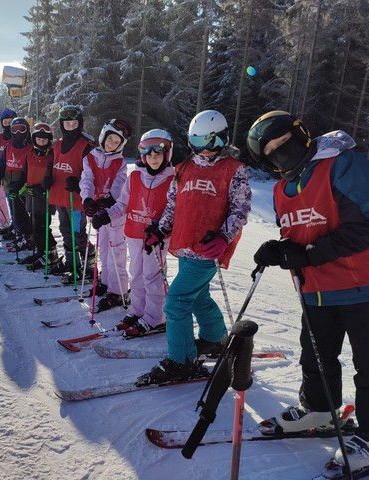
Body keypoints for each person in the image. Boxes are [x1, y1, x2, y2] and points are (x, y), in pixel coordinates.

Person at [247, 111, 369, 471]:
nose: (281, 153)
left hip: (363, 285)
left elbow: (365, 228)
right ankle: (320, 410)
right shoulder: (282, 189)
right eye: (272, 152)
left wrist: (305, 254)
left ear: (302, 135)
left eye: (285, 143)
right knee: (315, 357)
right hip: (316, 289)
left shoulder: (344, 165)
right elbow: (302, 235)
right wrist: (279, 249)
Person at [138, 110, 251, 385]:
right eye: (198, 141)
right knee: (198, 297)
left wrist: (224, 236)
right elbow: (173, 205)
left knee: (176, 302)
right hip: (184, 244)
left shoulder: (233, 169)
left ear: (223, 139)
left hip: (208, 248)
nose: (205, 149)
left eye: (211, 141)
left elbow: (240, 209)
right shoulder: (183, 168)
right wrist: (160, 229)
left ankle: (182, 361)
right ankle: (214, 338)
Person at [94, 128, 175, 335]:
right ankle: (138, 311)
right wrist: (107, 215)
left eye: (158, 154)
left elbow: (174, 210)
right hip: (134, 233)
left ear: (167, 154)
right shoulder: (135, 177)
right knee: (136, 274)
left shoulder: (173, 179)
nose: (154, 159)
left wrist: (161, 230)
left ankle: (156, 317)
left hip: (156, 238)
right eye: (149, 154)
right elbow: (123, 204)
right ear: (143, 156)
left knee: (152, 277)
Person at [80, 119, 131, 311]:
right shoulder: (90, 157)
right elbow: (87, 180)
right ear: (103, 136)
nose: (112, 144)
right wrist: (87, 200)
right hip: (98, 210)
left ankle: (119, 291)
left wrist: (109, 199)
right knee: (103, 249)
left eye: (116, 142)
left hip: (115, 212)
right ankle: (107, 282)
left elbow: (120, 184)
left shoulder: (120, 162)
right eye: (110, 139)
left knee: (116, 250)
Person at [41, 105, 96, 279]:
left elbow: (93, 173)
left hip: (77, 200)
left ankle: (89, 265)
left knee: (78, 233)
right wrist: (47, 178)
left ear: (80, 124)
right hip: (61, 196)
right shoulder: (57, 145)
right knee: (65, 231)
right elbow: (52, 165)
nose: (70, 127)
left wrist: (79, 184)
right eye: (67, 124)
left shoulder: (86, 146)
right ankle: (72, 264)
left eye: (74, 124)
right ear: (62, 124)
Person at [20, 122, 62, 269]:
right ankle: (41, 251)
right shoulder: (30, 155)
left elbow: (52, 177)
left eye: (44, 139)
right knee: (34, 225)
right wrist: (19, 186)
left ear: (49, 140)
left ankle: (51, 253)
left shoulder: (52, 156)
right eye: (39, 139)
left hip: (45, 196)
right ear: (34, 139)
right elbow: (25, 174)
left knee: (42, 226)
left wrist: (41, 187)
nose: (42, 141)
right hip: (31, 195)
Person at [0, 117, 33, 252]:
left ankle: (27, 236)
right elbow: (2, 163)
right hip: (8, 184)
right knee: (14, 211)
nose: (18, 132)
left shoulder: (30, 148)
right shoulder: (8, 146)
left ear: (27, 130)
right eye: (15, 129)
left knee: (22, 213)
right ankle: (19, 232)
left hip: (22, 187)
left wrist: (23, 184)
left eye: (22, 129)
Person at [0, 108, 18, 238]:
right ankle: (14, 224)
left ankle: (19, 226)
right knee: (9, 200)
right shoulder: (0, 138)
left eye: (10, 121)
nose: (7, 124)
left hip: (17, 174)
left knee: (18, 203)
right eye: (5, 122)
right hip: (4, 175)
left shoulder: (18, 135)